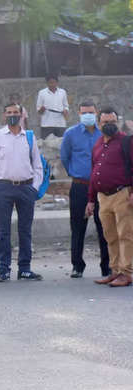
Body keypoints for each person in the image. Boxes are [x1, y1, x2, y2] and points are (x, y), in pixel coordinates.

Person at [0, 103, 44, 282]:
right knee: (3, 231)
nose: (12, 115)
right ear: (4, 115)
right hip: (4, 187)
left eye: (15, 112)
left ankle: (24, 269)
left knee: (25, 230)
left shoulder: (29, 137)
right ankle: (4, 269)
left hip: (26, 188)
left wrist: (34, 188)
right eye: (9, 112)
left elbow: (38, 166)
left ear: (22, 115)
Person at [60, 100, 110, 279]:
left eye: (90, 112)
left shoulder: (104, 133)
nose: (87, 115)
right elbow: (65, 158)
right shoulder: (70, 134)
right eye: (84, 113)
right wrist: (76, 174)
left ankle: (107, 266)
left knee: (105, 226)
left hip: (102, 188)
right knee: (78, 227)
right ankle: (77, 266)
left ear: (96, 113)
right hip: (80, 186)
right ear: (79, 114)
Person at [85, 107, 133, 287]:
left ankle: (126, 273)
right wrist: (90, 200)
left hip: (122, 195)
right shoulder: (97, 144)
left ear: (118, 122)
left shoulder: (127, 142)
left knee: (125, 235)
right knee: (110, 236)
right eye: (105, 122)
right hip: (103, 198)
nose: (109, 125)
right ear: (99, 124)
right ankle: (114, 270)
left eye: (112, 121)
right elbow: (93, 172)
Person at [36, 74, 69, 139]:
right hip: (46, 124)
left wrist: (65, 111)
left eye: (54, 82)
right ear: (47, 83)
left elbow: (66, 106)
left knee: (61, 144)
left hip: (60, 124)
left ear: (57, 82)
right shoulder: (42, 93)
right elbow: (38, 110)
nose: (52, 84)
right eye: (50, 83)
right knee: (45, 144)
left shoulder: (62, 92)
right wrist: (42, 109)